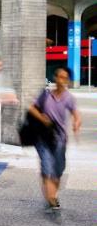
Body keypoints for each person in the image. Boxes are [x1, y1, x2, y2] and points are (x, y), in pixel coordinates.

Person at [28, 67, 81, 212]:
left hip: (60, 139)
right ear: (55, 78)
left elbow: (76, 114)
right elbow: (32, 108)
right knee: (46, 166)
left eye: (64, 78)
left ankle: (53, 195)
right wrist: (42, 118)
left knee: (57, 171)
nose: (61, 80)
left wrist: (77, 122)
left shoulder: (69, 98)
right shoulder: (45, 95)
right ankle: (51, 199)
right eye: (59, 77)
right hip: (43, 138)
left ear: (68, 80)